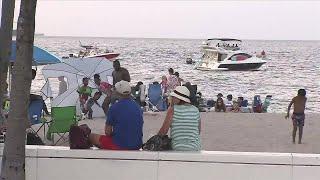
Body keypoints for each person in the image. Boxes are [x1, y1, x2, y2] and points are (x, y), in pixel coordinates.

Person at [88, 80, 143, 150]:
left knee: (91, 136)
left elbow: (108, 132)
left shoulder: (114, 108)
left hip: (120, 146)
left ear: (117, 93)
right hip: (137, 145)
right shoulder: (137, 107)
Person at [158, 86, 201, 151]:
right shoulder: (196, 110)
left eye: (173, 97)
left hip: (177, 147)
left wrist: (155, 137)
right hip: (195, 147)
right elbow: (198, 131)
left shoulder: (173, 110)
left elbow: (164, 131)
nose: (172, 98)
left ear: (179, 98)